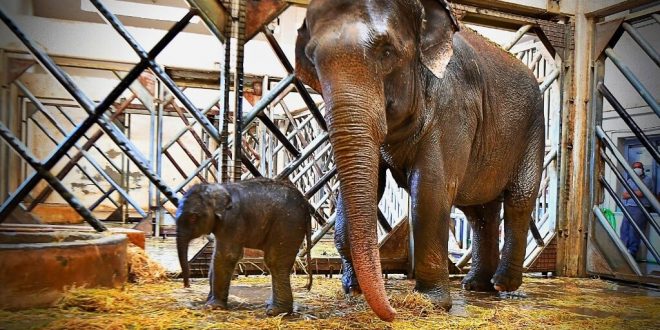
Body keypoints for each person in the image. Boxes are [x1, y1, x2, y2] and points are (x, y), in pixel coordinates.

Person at [620, 162, 654, 257]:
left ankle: (632, 252)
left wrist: (630, 193)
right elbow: (624, 195)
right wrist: (634, 193)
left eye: (639, 167)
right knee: (624, 229)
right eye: (635, 167)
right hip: (628, 207)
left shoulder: (648, 180)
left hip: (640, 208)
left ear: (642, 169)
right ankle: (623, 250)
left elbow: (641, 193)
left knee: (634, 230)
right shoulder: (630, 180)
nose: (637, 169)